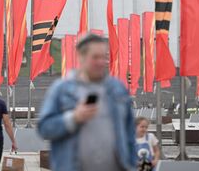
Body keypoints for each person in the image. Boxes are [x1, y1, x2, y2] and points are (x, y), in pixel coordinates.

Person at [37, 33, 135, 171]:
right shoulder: (62, 90)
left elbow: (130, 133)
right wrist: (74, 118)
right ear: (81, 57)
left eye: (104, 57)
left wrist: (131, 164)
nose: (101, 62)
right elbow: (44, 129)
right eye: (95, 57)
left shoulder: (117, 89)